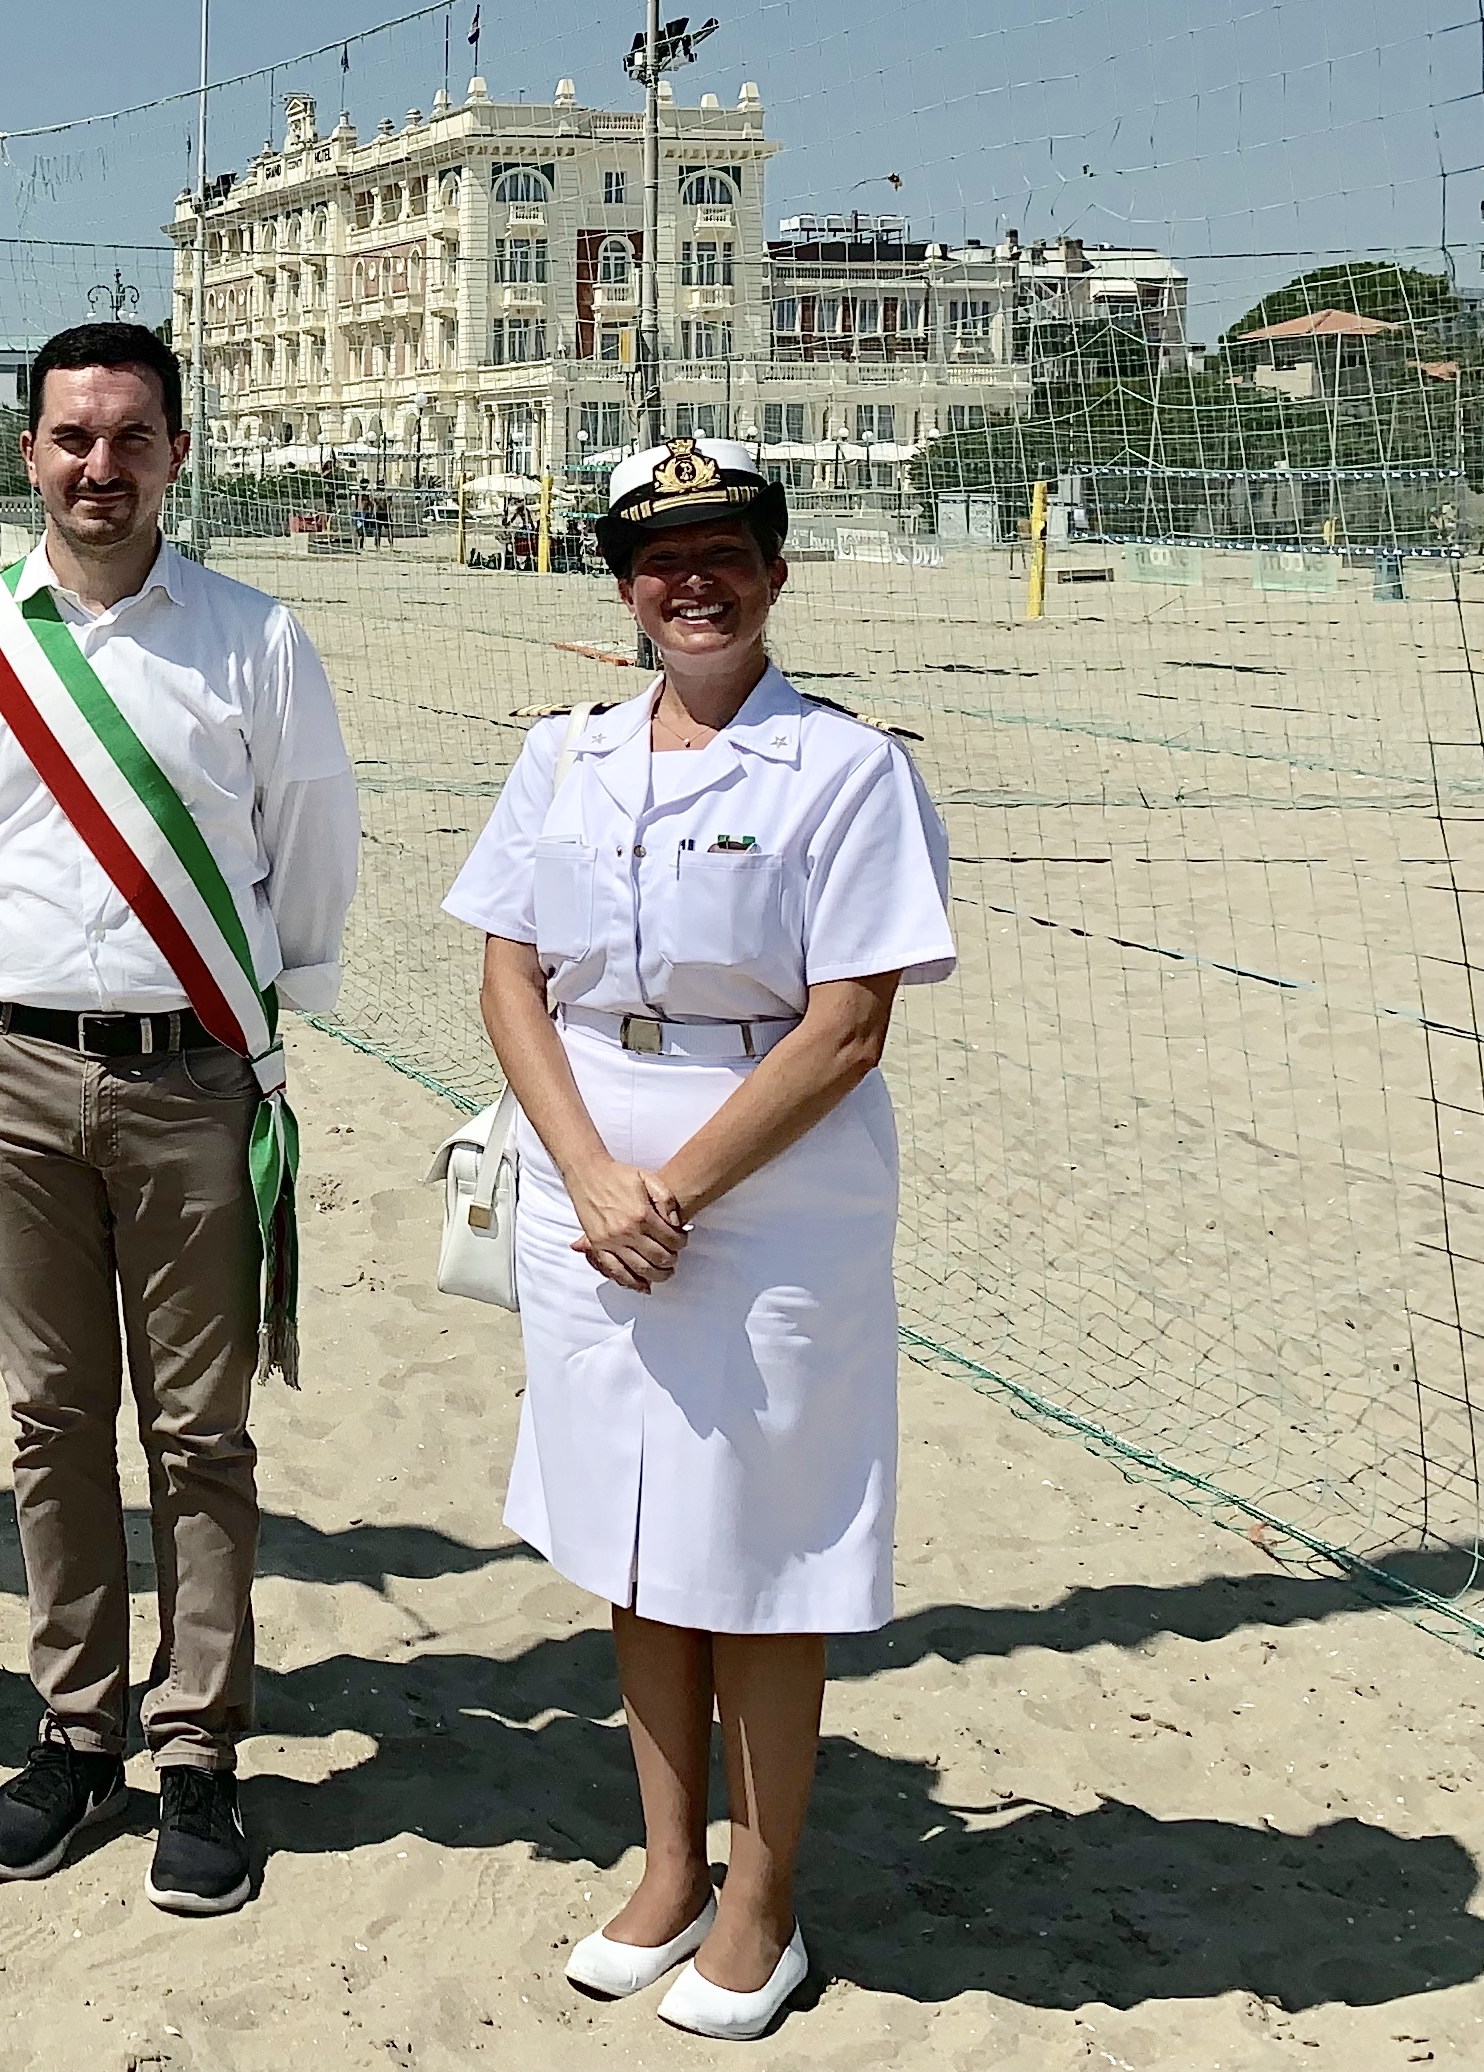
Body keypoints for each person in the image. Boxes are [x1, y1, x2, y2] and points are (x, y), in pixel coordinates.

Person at [442, 434, 955, 2039]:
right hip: (588, 1186)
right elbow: (509, 972)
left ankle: (764, 1893)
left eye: (726, 550)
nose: (693, 581)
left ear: (778, 571)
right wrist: (589, 1172)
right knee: (631, 1535)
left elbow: (849, 1021)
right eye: (661, 558)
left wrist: (675, 1189)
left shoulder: (848, 770)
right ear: (622, 585)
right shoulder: (566, 755)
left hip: (770, 1197)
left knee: (760, 1552)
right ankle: (667, 1863)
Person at [0, 319, 360, 1916]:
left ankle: (201, 1751)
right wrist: (21, 970)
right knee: (49, 1422)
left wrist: (211, 1010)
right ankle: (78, 1732)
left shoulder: (253, 641)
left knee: (202, 1434)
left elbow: (313, 863)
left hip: (191, 1079)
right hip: (5, 1077)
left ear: (177, 453)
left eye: (131, 436)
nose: (100, 466)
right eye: (72, 437)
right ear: (28, 453)